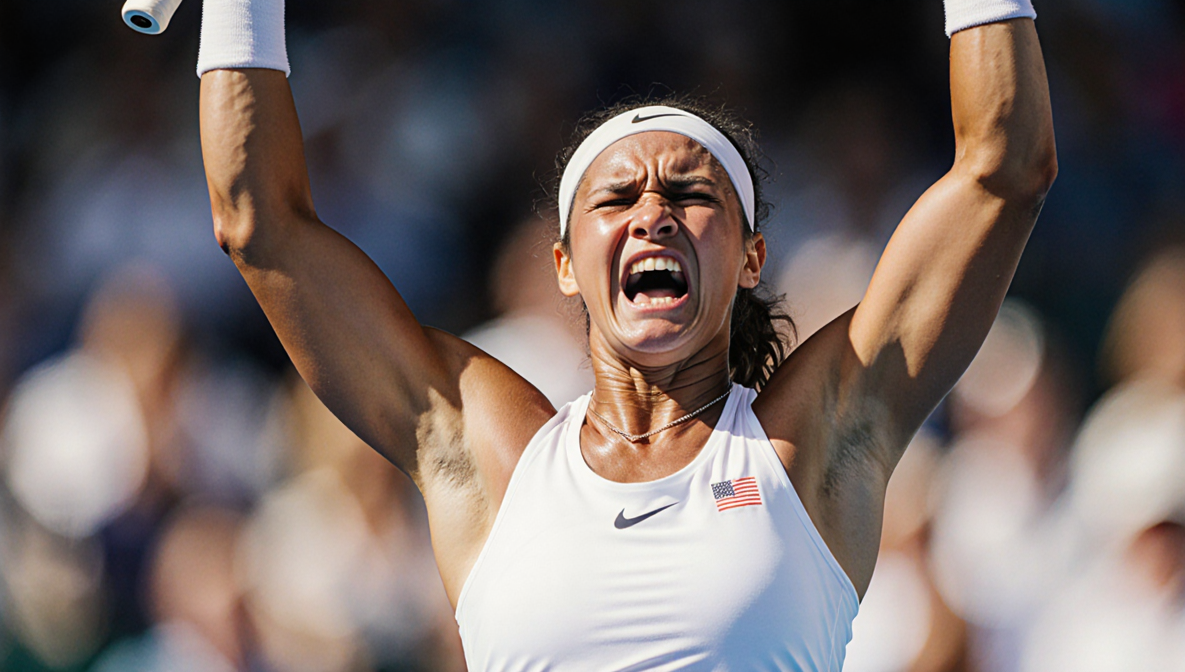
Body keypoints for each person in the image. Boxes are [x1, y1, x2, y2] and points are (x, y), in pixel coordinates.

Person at [195, 0, 1056, 667]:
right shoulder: (487, 454)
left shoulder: (815, 441)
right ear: (566, 265)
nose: (653, 214)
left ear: (752, 257)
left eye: (690, 195)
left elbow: (1005, 168)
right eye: (616, 198)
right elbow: (257, 224)